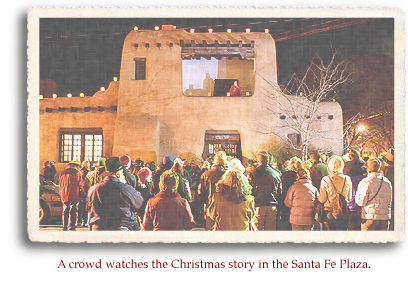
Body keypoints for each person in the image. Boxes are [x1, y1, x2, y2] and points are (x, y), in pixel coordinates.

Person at [88, 157, 144, 231]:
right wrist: (124, 185)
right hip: (119, 228)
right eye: (122, 173)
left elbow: (90, 208)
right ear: (118, 173)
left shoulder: (93, 189)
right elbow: (139, 203)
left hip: (98, 228)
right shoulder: (125, 189)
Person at [355, 158, 392, 231]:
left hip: (369, 217)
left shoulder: (365, 182)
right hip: (385, 218)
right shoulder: (387, 182)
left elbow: (361, 202)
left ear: (368, 168)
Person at [247, 151, 281, 231]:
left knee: (257, 231)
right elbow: (279, 191)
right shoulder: (276, 173)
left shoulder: (252, 174)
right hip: (272, 205)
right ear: (268, 161)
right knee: (270, 232)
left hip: (258, 205)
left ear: (258, 160)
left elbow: (248, 190)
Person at [318, 156, 352, 231]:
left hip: (329, 212)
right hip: (343, 212)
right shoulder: (347, 179)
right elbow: (349, 197)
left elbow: (322, 199)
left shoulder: (326, 179)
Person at [197, 151, 227, 230]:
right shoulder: (227, 175)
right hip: (224, 207)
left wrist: (205, 202)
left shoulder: (205, 175)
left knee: (210, 229)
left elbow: (200, 193)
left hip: (209, 206)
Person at [342, 148, 367, 231]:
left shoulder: (346, 166)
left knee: (351, 225)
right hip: (362, 203)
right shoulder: (363, 166)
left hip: (351, 202)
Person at [279, 156, 302, 230]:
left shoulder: (284, 176)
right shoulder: (301, 177)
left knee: (286, 225)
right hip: (298, 204)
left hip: (285, 203)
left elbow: (280, 189)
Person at [59, 161, 83, 231]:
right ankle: (71, 226)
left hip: (64, 193)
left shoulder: (62, 173)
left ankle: (64, 226)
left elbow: (60, 183)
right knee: (73, 211)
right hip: (73, 193)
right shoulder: (77, 173)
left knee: (65, 210)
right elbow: (80, 183)